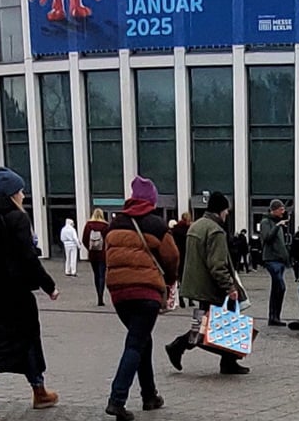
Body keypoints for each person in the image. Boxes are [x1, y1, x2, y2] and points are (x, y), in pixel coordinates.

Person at [0, 167, 60, 417]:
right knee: (28, 340)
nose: (23, 195)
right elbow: (28, 258)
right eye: (20, 191)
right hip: (15, 294)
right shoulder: (17, 218)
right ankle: (39, 391)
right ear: (12, 194)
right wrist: (49, 286)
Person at [102, 176, 179, 420]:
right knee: (135, 344)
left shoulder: (115, 224)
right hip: (146, 292)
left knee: (142, 339)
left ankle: (149, 395)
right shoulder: (156, 225)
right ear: (151, 201)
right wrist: (170, 280)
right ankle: (117, 400)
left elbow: (107, 255)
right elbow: (172, 256)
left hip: (119, 293)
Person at [165, 191, 249, 375]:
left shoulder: (196, 226)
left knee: (209, 323)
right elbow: (217, 264)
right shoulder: (215, 230)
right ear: (220, 210)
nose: (227, 214)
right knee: (218, 324)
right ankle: (178, 346)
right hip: (212, 286)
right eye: (226, 210)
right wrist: (230, 287)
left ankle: (227, 360)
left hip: (198, 284)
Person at [258, 199, 291, 327]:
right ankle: (273, 316)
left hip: (280, 260)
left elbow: (281, 243)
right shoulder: (266, 222)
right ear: (274, 210)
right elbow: (267, 238)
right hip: (271, 259)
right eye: (281, 209)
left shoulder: (278, 223)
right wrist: (277, 226)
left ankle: (275, 317)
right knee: (280, 286)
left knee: (277, 288)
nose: (283, 212)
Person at [82, 209, 110, 306]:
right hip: (103, 254)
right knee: (102, 275)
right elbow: (109, 239)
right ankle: (101, 297)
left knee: (96, 275)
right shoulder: (106, 226)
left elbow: (84, 239)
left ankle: (98, 294)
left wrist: (90, 249)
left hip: (93, 255)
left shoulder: (88, 225)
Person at [170, 213, 191, 307]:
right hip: (186, 255)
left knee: (179, 278)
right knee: (188, 278)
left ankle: (181, 298)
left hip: (177, 255)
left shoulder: (174, 230)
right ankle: (190, 299)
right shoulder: (188, 230)